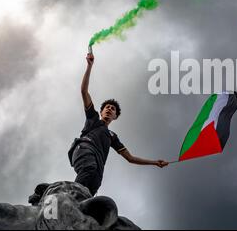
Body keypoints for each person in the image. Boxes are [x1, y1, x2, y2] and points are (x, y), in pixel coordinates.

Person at [69, 52, 168, 195]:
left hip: (98, 164)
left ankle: (79, 206)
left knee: (93, 185)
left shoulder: (112, 136)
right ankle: (68, 198)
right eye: (107, 107)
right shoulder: (93, 119)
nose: (109, 109)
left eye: (113, 109)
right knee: (88, 170)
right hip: (84, 149)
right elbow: (84, 92)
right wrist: (89, 66)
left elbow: (130, 158)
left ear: (115, 116)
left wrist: (154, 162)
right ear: (101, 112)